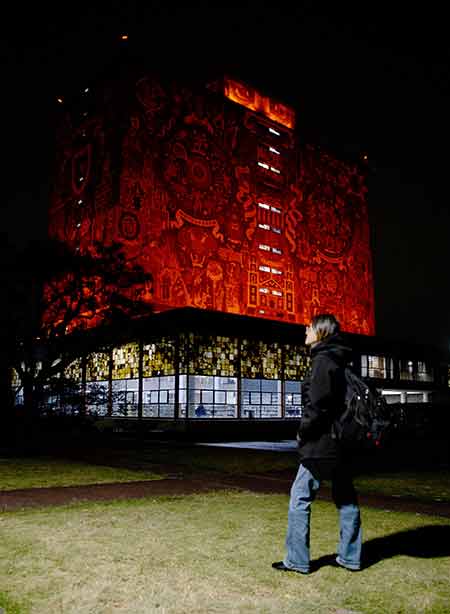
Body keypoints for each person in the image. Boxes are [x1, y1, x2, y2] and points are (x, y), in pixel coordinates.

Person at [272, 313, 362, 575]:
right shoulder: (341, 358)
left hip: (322, 443)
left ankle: (297, 560)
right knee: (346, 499)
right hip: (341, 443)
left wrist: (303, 431)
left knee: (299, 498)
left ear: (320, 331)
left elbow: (318, 404)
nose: (305, 329)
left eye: (309, 327)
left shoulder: (323, 359)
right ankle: (350, 557)